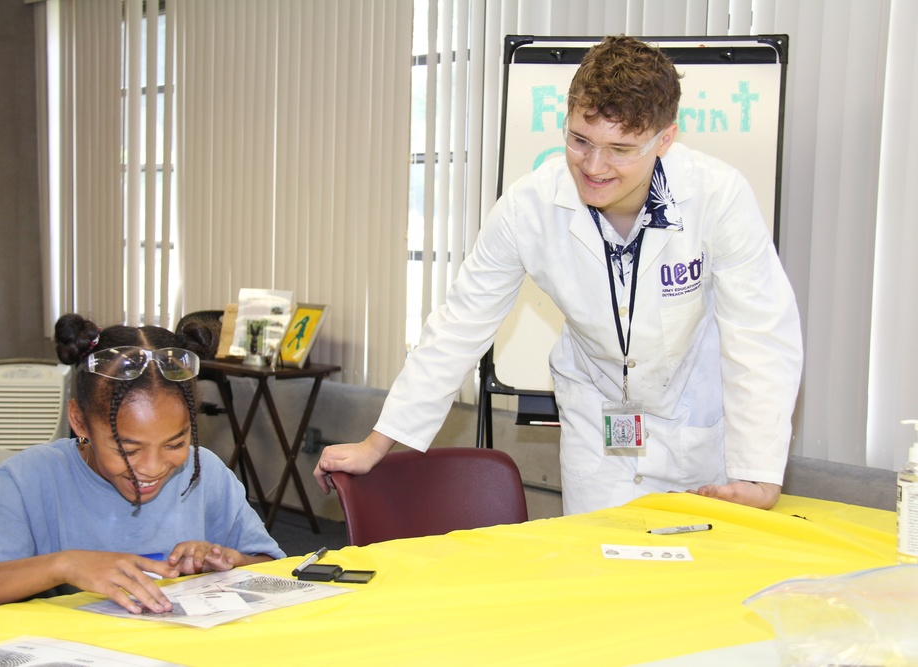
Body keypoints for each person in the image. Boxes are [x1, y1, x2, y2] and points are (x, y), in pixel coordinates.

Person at [314, 35, 803, 515]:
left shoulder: (718, 197)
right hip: (598, 424)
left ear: (665, 140)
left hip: (695, 421)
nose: (594, 166)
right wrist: (380, 442)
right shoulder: (528, 207)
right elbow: (461, 324)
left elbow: (760, 331)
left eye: (621, 149)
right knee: (598, 573)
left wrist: (758, 472)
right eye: (580, 140)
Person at [0, 314, 284, 615]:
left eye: (176, 442)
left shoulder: (206, 473)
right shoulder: (27, 480)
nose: (153, 467)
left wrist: (231, 562)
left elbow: (278, 574)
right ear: (79, 421)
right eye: (129, 447)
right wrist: (64, 565)